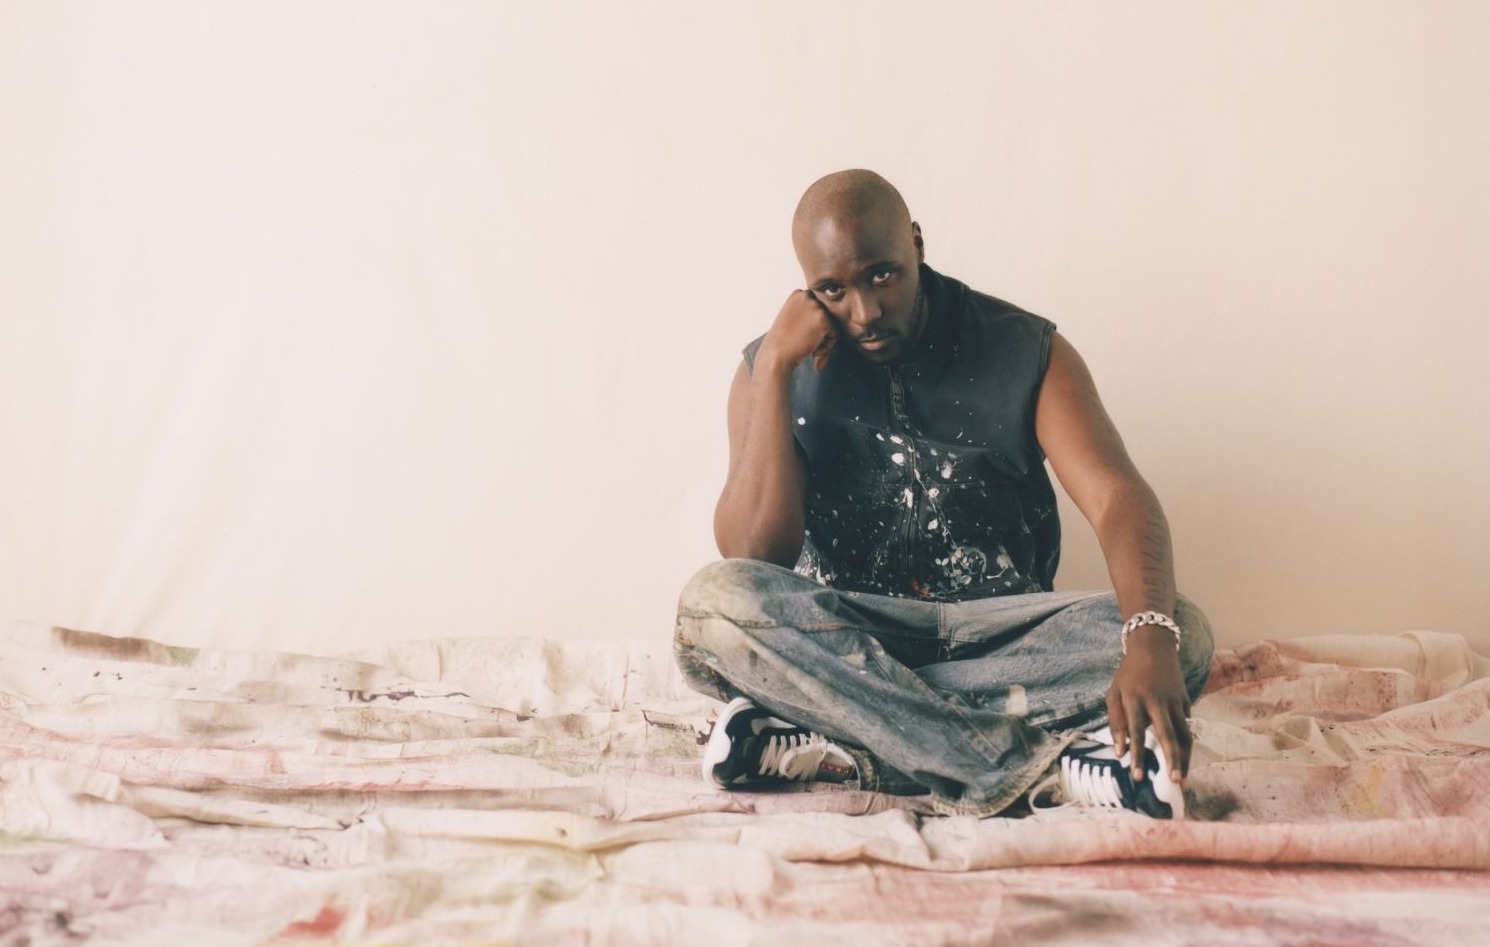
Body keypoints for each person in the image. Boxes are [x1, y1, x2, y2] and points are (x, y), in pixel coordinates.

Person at [673, 169, 1214, 819]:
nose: (864, 312)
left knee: (1182, 632)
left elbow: (1115, 496)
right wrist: (774, 373)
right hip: (849, 638)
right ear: (807, 287)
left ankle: (840, 737)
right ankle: (1026, 769)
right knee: (713, 604)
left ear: (917, 243)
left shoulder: (1027, 351)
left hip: (999, 645)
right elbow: (755, 556)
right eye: (833, 290)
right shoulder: (771, 367)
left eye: (882, 275)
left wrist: (1149, 636)